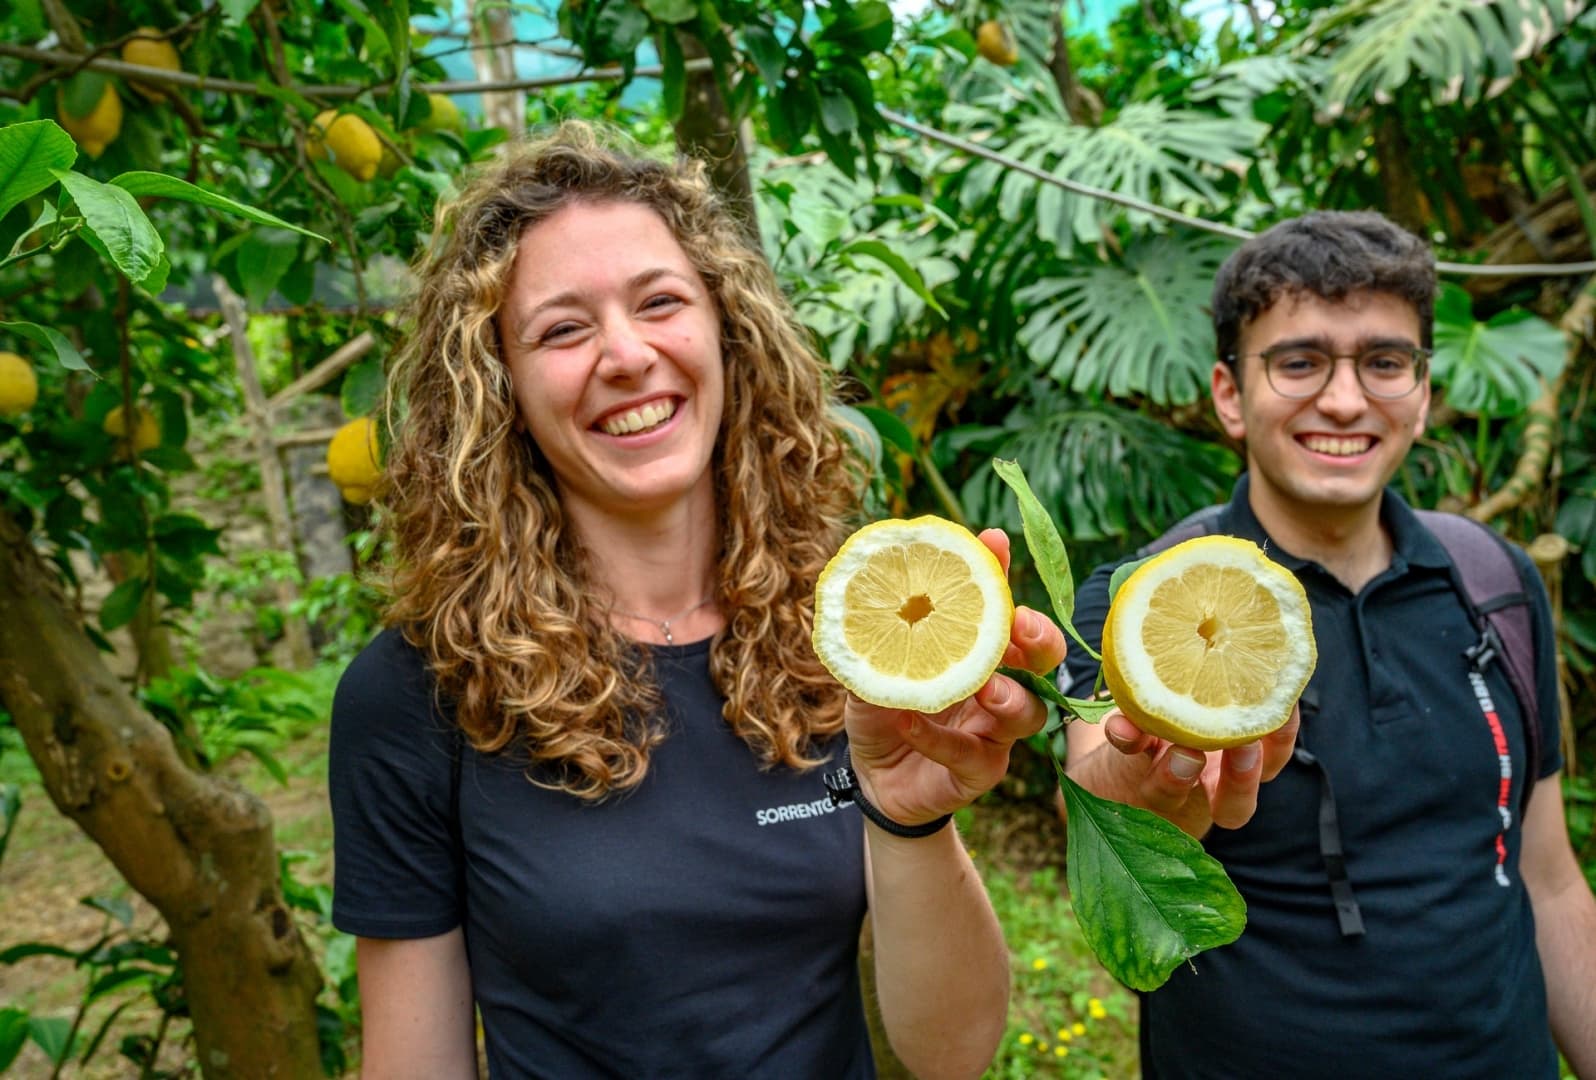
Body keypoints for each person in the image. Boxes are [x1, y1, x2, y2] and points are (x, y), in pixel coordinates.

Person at [327, 122, 1065, 1080]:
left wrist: (908, 815)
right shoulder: (420, 695)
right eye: (563, 328)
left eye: (659, 302)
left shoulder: (849, 629)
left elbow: (953, 1052)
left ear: (728, 328)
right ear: (496, 388)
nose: (627, 354)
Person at [1059, 211, 1596, 1078]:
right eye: (1299, 361)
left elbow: (1549, 877)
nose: (1345, 400)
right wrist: (1155, 773)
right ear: (1230, 395)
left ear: (1421, 392)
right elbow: (1102, 825)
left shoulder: (1492, 581)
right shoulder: (1138, 600)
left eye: (1384, 363)